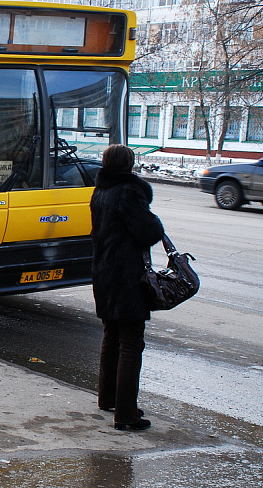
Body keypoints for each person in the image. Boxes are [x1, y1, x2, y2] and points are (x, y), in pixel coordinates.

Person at [90, 144, 164, 431]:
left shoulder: (100, 192)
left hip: (104, 273)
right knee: (132, 343)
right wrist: (154, 219)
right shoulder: (129, 192)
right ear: (129, 165)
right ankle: (126, 414)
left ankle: (108, 398)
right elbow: (149, 231)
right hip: (127, 276)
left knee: (111, 336)